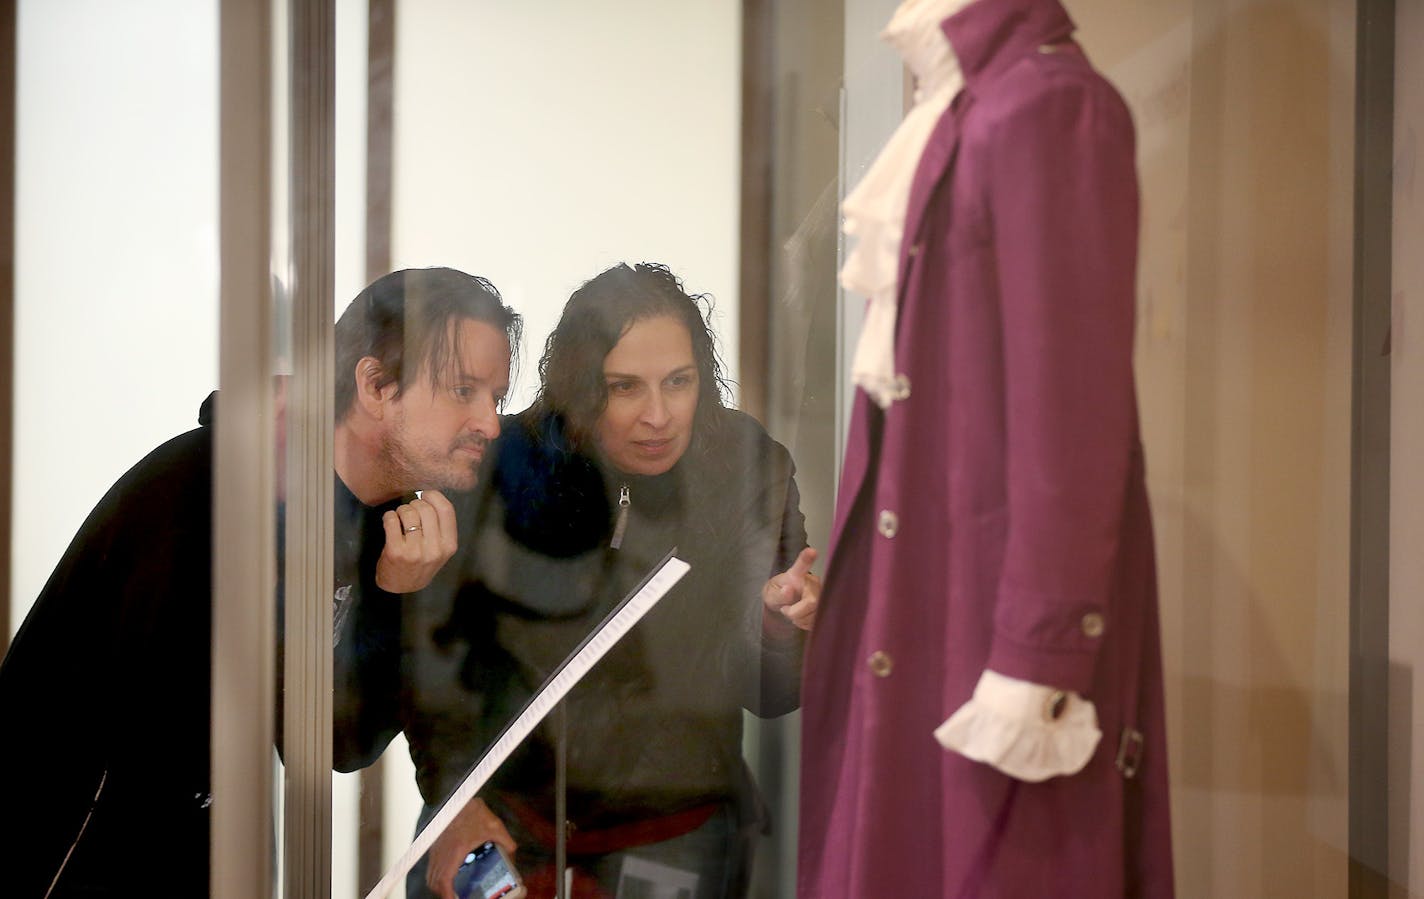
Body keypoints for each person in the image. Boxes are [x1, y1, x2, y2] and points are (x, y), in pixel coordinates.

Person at [797, 1, 1173, 897]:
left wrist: (1040, 659)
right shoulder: (966, 108)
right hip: (929, 599)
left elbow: (1073, 423)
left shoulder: (1054, 108)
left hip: (985, 623)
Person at [0, 266, 519, 896]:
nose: (490, 424)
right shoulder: (212, 486)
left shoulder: (384, 528)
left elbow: (335, 745)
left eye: (496, 397)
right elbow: (144, 753)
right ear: (376, 385)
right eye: (464, 390)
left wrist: (396, 596)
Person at [395, 262, 820, 899]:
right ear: (580, 388)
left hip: (676, 813)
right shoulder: (499, 463)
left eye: (679, 382)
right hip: (505, 806)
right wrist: (454, 799)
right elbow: (429, 651)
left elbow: (768, 691)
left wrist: (781, 629)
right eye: (625, 388)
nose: (659, 415)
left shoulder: (747, 465)